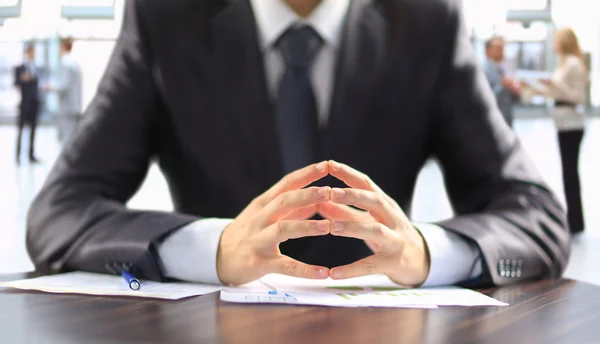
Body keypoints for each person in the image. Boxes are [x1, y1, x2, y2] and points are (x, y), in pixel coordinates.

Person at [26, 0, 570, 288]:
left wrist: (423, 253)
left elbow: (536, 218)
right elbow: (59, 214)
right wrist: (213, 250)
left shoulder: (426, 21)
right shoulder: (165, 18)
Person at [523, 28, 588, 234]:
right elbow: (555, 91)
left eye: (556, 40)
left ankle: (576, 222)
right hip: (563, 124)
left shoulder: (573, 64)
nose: (553, 43)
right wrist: (531, 89)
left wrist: (554, 83)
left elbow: (577, 96)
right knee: (568, 172)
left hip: (572, 125)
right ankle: (574, 218)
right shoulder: (563, 63)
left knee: (570, 172)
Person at [45, 38, 83, 144]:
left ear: (62, 47)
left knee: (67, 138)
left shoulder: (65, 62)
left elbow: (63, 85)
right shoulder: (74, 62)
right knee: (71, 137)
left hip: (67, 107)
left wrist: (50, 87)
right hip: (73, 106)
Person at [483, 37, 522, 127]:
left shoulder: (502, 68)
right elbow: (484, 97)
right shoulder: (483, 70)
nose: (501, 51)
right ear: (487, 50)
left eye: (502, 48)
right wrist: (502, 86)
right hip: (493, 121)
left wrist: (515, 90)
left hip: (505, 118)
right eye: (497, 48)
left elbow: (510, 98)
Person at [14, 44, 41, 164]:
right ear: (26, 53)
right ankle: (18, 156)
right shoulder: (20, 68)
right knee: (20, 131)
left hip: (34, 104)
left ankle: (31, 155)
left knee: (33, 130)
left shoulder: (36, 68)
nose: (32, 55)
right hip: (24, 104)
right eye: (30, 52)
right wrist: (23, 79)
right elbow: (16, 82)